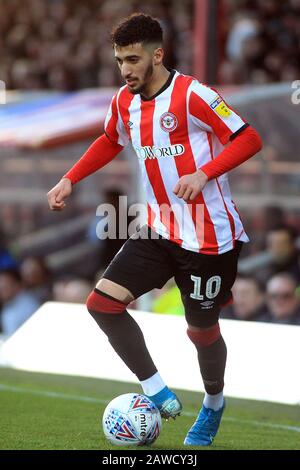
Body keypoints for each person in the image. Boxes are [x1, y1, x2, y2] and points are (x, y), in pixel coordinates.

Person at [47, 14, 262, 446]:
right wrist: (71, 177)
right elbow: (111, 139)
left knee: (201, 331)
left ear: (157, 55)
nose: (125, 69)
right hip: (159, 228)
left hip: (209, 237)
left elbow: (248, 139)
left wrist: (203, 174)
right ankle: (155, 389)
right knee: (101, 305)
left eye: (132, 59)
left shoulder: (193, 95)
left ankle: (214, 404)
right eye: (118, 61)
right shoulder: (123, 101)